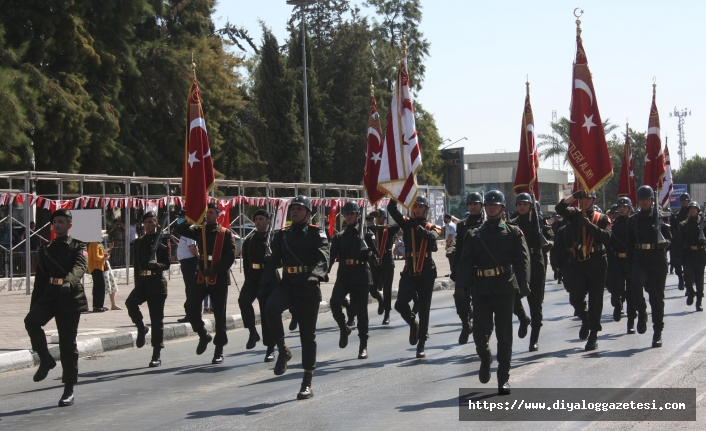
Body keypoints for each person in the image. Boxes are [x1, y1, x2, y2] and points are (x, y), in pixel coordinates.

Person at [456, 191, 530, 395]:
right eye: (488, 205)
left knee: (504, 335)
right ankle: (485, 357)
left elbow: (523, 259)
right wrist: (460, 286)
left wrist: (524, 281)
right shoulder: (474, 233)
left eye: (495, 205)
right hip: (481, 288)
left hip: (505, 287)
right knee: (479, 331)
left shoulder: (513, 232)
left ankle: (503, 378)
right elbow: (465, 261)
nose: (491, 207)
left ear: (503, 208)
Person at [260, 195, 329, 400]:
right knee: (271, 308)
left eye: (299, 209)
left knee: (307, 336)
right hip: (288, 283)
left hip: (308, 285)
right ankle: (283, 349)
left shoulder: (318, 234)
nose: (295, 212)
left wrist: (316, 275)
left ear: (308, 213)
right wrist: (263, 284)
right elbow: (274, 261)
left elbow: (324, 256)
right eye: (293, 209)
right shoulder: (283, 235)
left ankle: (307, 382)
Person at [24, 209, 88, 407]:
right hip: (50, 294)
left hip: (70, 297)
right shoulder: (45, 249)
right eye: (55, 222)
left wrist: (69, 281)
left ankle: (69, 388)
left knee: (67, 345)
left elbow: (79, 267)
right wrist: (34, 305)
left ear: (69, 224)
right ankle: (46, 359)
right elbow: (40, 280)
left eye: (61, 221)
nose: (57, 225)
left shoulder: (79, 245)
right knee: (31, 321)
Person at [176, 203, 236, 365]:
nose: (208, 215)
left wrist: (216, 269)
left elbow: (230, 257)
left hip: (219, 277)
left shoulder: (225, 234)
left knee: (219, 315)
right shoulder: (199, 230)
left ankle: (219, 350)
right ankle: (203, 334)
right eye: (206, 212)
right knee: (190, 305)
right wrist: (188, 215)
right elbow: (180, 229)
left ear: (217, 214)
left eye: (211, 212)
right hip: (202, 277)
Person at [555, 189, 612, 351]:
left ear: (594, 200)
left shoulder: (601, 218)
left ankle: (593, 334)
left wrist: (590, 226)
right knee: (575, 297)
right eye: (583, 198)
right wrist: (574, 196)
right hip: (579, 261)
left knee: (595, 300)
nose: (585, 201)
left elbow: (607, 237)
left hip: (597, 261)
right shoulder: (574, 215)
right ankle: (586, 319)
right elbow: (559, 208)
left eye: (588, 198)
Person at [387, 195, 442, 359]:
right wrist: (397, 194)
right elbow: (391, 209)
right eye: (415, 207)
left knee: (424, 309)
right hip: (410, 270)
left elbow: (432, 237)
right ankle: (413, 323)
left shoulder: (433, 226)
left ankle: (421, 344)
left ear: (426, 209)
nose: (417, 209)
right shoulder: (406, 222)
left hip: (426, 271)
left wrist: (418, 228)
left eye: (420, 207)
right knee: (400, 304)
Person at [328, 201, 374, 359]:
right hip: (344, 274)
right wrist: (324, 271)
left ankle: (363, 346)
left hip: (361, 275)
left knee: (362, 312)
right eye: (346, 214)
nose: (348, 217)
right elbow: (331, 255)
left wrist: (368, 252)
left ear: (357, 215)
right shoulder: (340, 236)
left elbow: (376, 253)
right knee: (334, 302)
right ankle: (344, 328)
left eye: (351, 214)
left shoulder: (366, 233)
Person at [124, 212, 171, 367]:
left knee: (157, 320)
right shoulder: (138, 242)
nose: (148, 224)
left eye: (151, 221)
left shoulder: (162, 241)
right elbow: (137, 264)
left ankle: (156, 353)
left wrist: (157, 266)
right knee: (130, 302)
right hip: (143, 282)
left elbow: (167, 264)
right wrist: (137, 284)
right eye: (146, 222)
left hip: (157, 282)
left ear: (157, 223)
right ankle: (140, 327)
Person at [628, 185, 671, 348]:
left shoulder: (660, 217)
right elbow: (630, 244)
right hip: (640, 258)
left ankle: (657, 332)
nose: (644, 202)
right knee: (636, 284)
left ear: (652, 200)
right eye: (642, 199)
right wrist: (629, 266)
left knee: (657, 298)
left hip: (657, 260)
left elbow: (669, 239)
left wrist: (664, 243)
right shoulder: (633, 220)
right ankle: (641, 312)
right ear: (638, 200)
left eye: (647, 199)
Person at [509, 193, 553, 352]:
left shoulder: (540, 221)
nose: (522, 207)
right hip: (518, 264)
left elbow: (551, 237)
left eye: (525, 204)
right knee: (512, 295)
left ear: (530, 206)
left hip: (536, 261)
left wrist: (548, 243)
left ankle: (534, 338)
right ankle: (522, 318)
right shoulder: (512, 223)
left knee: (535, 304)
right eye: (519, 204)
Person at [239, 209, 280, 362]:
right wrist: (247, 278)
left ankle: (270, 347)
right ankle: (252, 332)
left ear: (268, 221)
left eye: (261, 219)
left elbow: (281, 260)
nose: (258, 222)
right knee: (243, 300)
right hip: (253, 276)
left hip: (268, 278)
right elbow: (246, 262)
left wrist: (272, 259)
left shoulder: (274, 239)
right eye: (256, 219)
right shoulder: (250, 240)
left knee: (265, 312)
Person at [450, 192, 485, 344]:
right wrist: (455, 270)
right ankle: (466, 324)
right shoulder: (462, 225)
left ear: (481, 205)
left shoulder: (487, 223)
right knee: (460, 299)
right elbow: (458, 249)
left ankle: (481, 331)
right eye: (470, 204)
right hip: (465, 267)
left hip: (483, 268)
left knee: (481, 302)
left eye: (475, 204)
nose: (472, 206)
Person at [367, 207, 401, 325]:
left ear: (384, 218)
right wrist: (369, 215)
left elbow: (398, 225)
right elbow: (363, 224)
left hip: (386, 259)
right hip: (374, 260)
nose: (378, 219)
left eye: (380, 216)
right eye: (376, 217)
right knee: (372, 288)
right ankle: (380, 300)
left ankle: (387, 313)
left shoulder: (389, 229)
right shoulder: (371, 228)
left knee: (387, 289)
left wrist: (380, 227)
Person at [607, 197, 635, 332]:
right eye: (620, 207)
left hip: (630, 261)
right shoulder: (612, 224)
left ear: (629, 208)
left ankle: (630, 322)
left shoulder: (634, 223)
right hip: (616, 261)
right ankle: (618, 304)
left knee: (631, 293)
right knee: (616, 288)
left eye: (624, 206)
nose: (622, 209)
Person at [675, 201, 705, 311]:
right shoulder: (683, 225)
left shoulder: (703, 223)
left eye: (695, 208)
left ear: (698, 211)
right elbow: (679, 241)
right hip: (688, 253)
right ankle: (691, 291)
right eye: (690, 208)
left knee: (699, 278)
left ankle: (699, 302)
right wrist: (677, 256)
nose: (692, 210)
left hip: (700, 253)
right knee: (687, 275)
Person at [175, 210, 199, 323]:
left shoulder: (190, 229)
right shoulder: (184, 230)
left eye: (181, 217)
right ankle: (191, 313)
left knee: (191, 289)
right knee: (189, 289)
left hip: (190, 262)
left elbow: (192, 248)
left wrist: (198, 256)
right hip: (187, 263)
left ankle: (192, 314)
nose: (180, 219)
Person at [670, 193, 691, 291]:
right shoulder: (676, 215)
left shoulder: (692, 214)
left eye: (685, 200)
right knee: (676, 263)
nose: (683, 202)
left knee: (689, 266)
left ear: (688, 201)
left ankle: (688, 286)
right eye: (682, 200)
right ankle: (680, 279)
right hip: (678, 243)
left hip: (689, 242)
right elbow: (672, 229)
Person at [87, 241, 110, 312]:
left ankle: (97, 305)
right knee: (100, 287)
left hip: (98, 267)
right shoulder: (94, 244)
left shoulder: (95, 244)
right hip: (96, 267)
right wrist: (104, 256)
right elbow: (96, 257)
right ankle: (98, 306)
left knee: (97, 287)